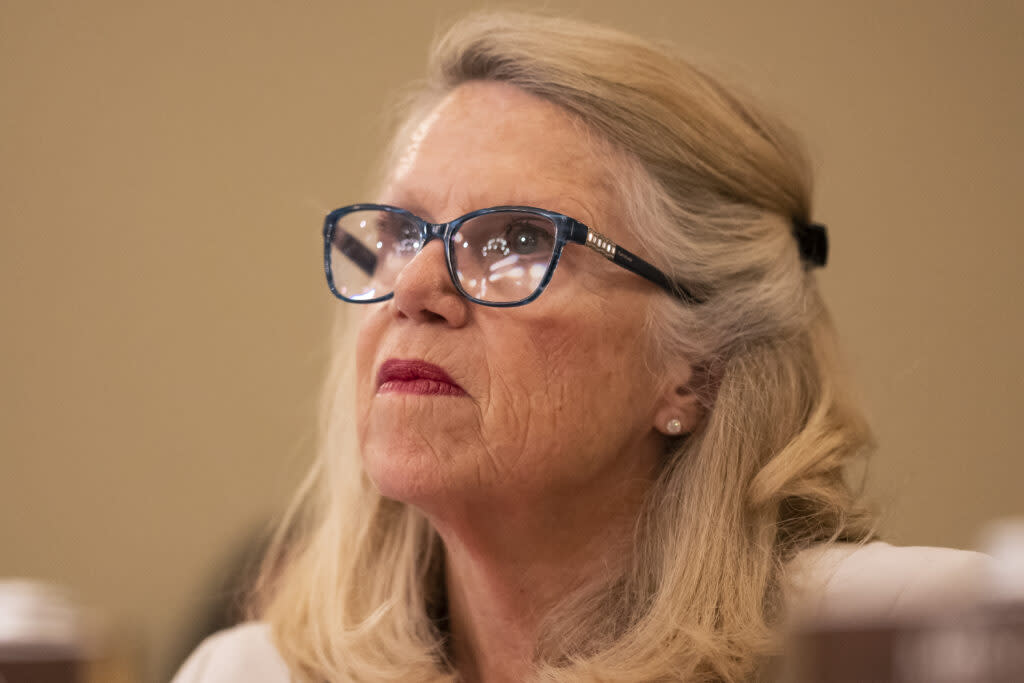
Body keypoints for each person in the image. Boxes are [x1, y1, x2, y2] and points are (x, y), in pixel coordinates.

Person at [173, 12, 988, 683]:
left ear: (695, 368)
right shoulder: (247, 671)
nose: (414, 287)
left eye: (519, 241)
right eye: (398, 233)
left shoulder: (906, 640)